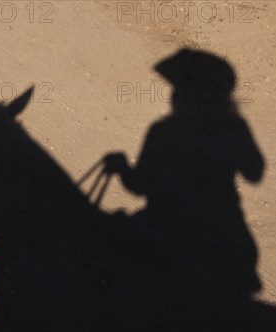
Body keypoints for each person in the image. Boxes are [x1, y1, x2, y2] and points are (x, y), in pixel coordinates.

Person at [105, 48, 265, 302]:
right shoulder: (233, 127)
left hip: (168, 230)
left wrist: (121, 166)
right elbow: (255, 172)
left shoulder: (163, 131)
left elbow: (140, 185)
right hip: (225, 234)